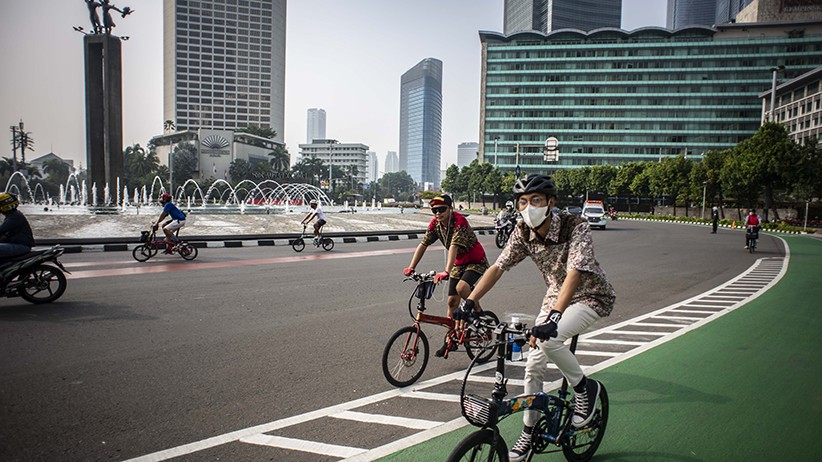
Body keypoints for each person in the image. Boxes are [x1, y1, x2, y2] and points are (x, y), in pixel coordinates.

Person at [455, 174, 615, 462]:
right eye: (523, 202)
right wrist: (470, 301)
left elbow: (576, 273)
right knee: (533, 365)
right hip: (555, 297)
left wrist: (554, 317)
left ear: (551, 202)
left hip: (590, 295)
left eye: (536, 200)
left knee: (551, 341)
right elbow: (498, 267)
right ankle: (528, 432)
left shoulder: (575, 225)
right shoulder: (521, 231)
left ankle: (584, 389)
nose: (529, 207)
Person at [403, 194, 489, 357]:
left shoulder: (459, 222)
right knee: (451, 302)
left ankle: (478, 313)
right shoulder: (435, 224)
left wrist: (447, 271)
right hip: (459, 263)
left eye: (441, 209)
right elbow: (423, 244)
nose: (437, 213)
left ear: (451, 208)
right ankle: (451, 340)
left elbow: (454, 247)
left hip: (476, 261)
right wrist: (411, 267)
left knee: (462, 287)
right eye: (434, 210)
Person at [0, 193, 35, 260]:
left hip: (21, 246)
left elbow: (1, 230)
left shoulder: (14, 217)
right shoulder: (14, 215)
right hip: (19, 244)